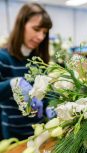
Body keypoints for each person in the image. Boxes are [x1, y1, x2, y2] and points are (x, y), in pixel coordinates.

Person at [0, 3, 52, 140]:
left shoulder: (38, 60)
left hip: (39, 133)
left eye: (45, 32)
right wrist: (13, 83)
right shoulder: (3, 58)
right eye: (37, 29)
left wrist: (50, 106)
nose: (41, 37)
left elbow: (46, 93)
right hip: (13, 136)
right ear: (21, 25)